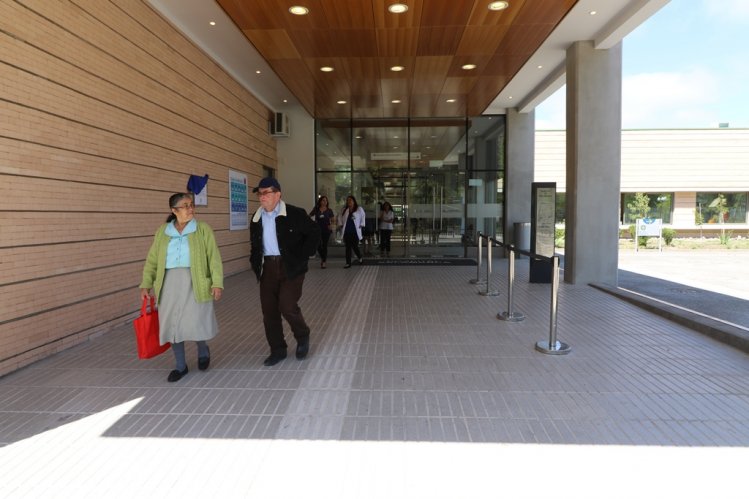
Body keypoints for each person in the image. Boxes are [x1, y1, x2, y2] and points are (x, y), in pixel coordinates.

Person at [140, 193, 223, 382]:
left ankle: (203, 350)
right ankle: (180, 366)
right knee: (173, 325)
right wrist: (146, 283)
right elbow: (152, 259)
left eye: (191, 205)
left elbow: (214, 258)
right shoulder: (163, 231)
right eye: (185, 206)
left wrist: (217, 283)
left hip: (196, 281)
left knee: (195, 320)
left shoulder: (203, 229)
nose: (190, 208)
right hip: (168, 283)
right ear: (174, 210)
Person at [250, 177, 320, 366]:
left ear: (278, 194)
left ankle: (302, 335)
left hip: (291, 267)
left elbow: (314, 232)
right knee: (269, 311)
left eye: (266, 193)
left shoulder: (295, 213)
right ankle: (278, 349)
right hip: (268, 268)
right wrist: (254, 263)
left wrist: (304, 255)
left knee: (287, 306)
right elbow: (255, 245)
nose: (262, 197)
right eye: (260, 193)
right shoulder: (256, 218)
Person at [338, 195, 365, 268]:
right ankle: (348, 263)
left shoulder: (359, 209)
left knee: (355, 246)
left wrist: (362, 224)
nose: (349, 201)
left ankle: (360, 257)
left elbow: (363, 216)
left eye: (350, 200)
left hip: (355, 231)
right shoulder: (344, 209)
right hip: (347, 231)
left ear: (354, 201)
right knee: (348, 247)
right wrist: (340, 224)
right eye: (348, 200)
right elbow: (340, 217)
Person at [309, 195, 335, 268]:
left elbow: (333, 220)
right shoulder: (316, 209)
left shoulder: (329, 210)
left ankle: (323, 262)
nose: (325, 202)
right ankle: (323, 258)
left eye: (326, 200)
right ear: (320, 202)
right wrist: (312, 224)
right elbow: (309, 216)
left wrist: (331, 225)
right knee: (317, 245)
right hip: (317, 230)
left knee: (324, 245)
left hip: (326, 230)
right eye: (323, 200)